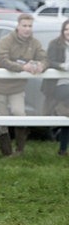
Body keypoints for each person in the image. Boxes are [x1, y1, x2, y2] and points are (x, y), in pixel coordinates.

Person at [0, 13, 47, 157]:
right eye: (24, 26)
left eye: (30, 26)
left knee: (19, 113)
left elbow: (44, 57)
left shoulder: (35, 43)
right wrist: (23, 68)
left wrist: (41, 65)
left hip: (17, 87)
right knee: (2, 117)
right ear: (18, 26)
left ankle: (19, 151)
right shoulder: (6, 40)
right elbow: (2, 60)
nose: (27, 29)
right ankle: (6, 152)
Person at [41, 18, 69, 156]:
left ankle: (63, 150)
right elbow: (49, 61)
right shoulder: (55, 44)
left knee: (67, 115)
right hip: (59, 85)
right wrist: (62, 66)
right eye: (66, 29)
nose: (68, 32)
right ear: (62, 31)